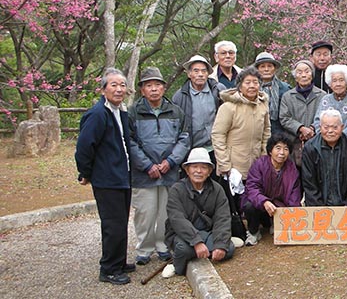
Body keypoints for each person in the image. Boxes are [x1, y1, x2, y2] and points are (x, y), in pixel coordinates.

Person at [74, 68, 135, 285]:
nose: (119, 89)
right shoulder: (97, 114)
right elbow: (84, 147)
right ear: (103, 89)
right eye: (114, 85)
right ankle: (108, 268)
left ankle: (119, 261)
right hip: (107, 178)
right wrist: (86, 172)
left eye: (122, 85)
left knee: (121, 221)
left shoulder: (120, 111)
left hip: (122, 175)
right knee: (113, 224)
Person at [128, 67, 190, 265]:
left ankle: (163, 245)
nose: (153, 89)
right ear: (142, 90)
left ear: (164, 88)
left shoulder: (176, 111)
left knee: (166, 211)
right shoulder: (133, 113)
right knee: (145, 212)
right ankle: (144, 249)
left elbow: (184, 138)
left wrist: (170, 161)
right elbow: (130, 142)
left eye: (157, 85)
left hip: (169, 171)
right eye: (149, 85)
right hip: (143, 173)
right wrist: (147, 165)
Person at [165, 148, 235, 276]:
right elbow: (177, 219)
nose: (198, 171)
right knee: (183, 249)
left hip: (207, 232)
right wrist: (196, 242)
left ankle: (205, 250)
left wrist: (220, 244)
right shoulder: (176, 190)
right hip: (184, 235)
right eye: (194, 167)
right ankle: (179, 264)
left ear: (209, 172)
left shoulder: (217, 189)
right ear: (187, 170)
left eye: (203, 167)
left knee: (227, 248)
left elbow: (222, 217)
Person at [212, 67, 271, 210]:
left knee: (253, 202)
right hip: (233, 165)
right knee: (233, 205)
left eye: (255, 82)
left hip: (256, 162)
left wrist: (264, 157)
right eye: (247, 82)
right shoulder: (229, 107)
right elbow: (218, 135)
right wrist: (224, 164)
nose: (252, 86)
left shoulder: (263, 105)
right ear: (239, 85)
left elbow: (266, 132)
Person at [242, 133, 302, 246]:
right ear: (270, 151)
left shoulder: (291, 168)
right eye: (278, 148)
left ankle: (276, 224)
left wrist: (293, 213)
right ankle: (253, 232)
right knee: (249, 206)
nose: (282, 153)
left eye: (286, 149)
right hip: (261, 205)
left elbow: (294, 194)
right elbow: (252, 188)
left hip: (279, 207)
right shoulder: (259, 164)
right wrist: (264, 201)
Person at [302, 109, 347, 206]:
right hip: (319, 209)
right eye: (326, 127)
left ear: (342, 127)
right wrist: (319, 208)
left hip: (346, 208)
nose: (330, 131)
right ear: (320, 127)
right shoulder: (310, 148)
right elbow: (309, 182)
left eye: (335, 127)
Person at [172, 54, 224, 165]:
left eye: (203, 71)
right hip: (191, 150)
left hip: (216, 149)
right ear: (189, 74)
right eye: (196, 71)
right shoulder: (180, 96)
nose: (200, 74)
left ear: (208, 74)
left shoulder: (218, 90)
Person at [279, 60, 326, 168]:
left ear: (312, 75)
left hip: (316, 141)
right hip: (294, 142)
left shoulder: (322, 95)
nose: (303, 75)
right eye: (299, 72)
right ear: (295, 77)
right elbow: (284, 118)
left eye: (307, 71)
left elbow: (325, 116)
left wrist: (312, 129)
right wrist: (301, 128)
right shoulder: (287, 96)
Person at [313, 64, 347, 140]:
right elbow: (318, 121)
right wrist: (327, 137)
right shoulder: (325, 99)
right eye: (334, 81)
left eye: (341, 80)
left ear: (346, 82)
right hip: (326, 144)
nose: (338, 84)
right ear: (330, 84)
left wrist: (339, 138)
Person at [254, 52, 291, 135]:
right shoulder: (252, 88)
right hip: (257, 131)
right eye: (262, 66)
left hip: (280, 132)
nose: (266, 69)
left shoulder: (285, 88)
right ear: (257, 69)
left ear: (274, 68)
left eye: (269, 66)